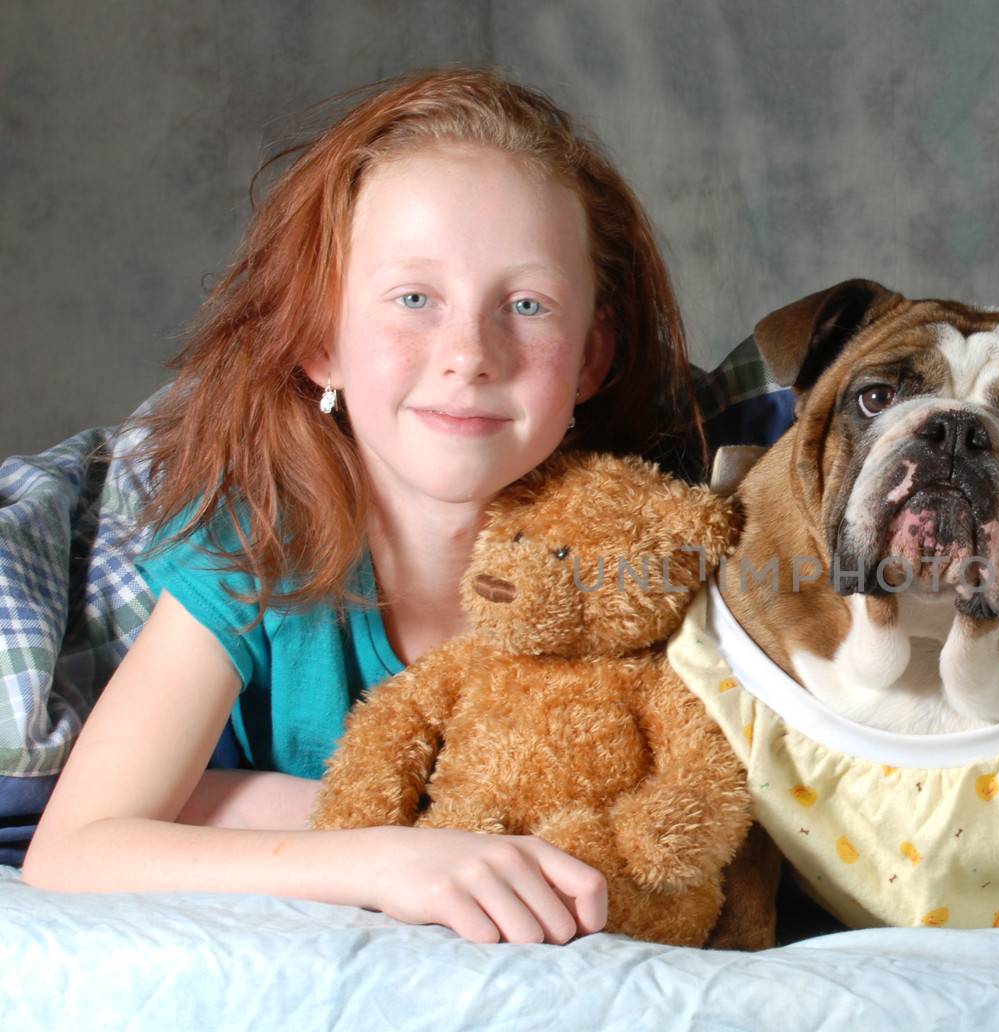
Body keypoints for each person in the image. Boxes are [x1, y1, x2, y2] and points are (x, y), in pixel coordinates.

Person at [21, 67, 705, 945]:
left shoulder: (636, 559)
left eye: (527, 305)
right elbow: (72, 849)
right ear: (319, 342)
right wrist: (393, 855)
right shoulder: (260, 541)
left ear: (591, 358)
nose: (469, 354)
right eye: (414, 298)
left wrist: (241, 806)